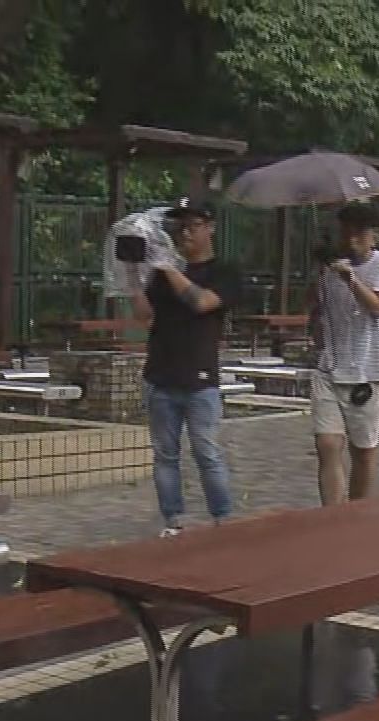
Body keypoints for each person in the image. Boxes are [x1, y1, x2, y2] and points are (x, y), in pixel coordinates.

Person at [129, 198, 242, 537]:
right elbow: (143, 315)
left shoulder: (225, 271)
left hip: (200, 377)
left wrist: (168, 268)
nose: (185, 233)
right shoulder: (165, 273)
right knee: (165, 454)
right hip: (160, 374)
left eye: (193, 225)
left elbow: (202, 302)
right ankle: (173, 521)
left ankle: (222, 520)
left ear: (210, 228)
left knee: (206, 450)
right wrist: (132, 275)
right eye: (180, 227)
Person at [308, 201, 379, 505]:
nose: (351, 239)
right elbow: (318, 314)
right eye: (346, 232)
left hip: (369, 372)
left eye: (359, 233)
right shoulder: (328, 269)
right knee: (327, 444)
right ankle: (332, 517)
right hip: (330, 369)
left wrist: (350, 278)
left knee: (362, 451)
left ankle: (357, 515)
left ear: (373, 235)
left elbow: (378, 307)